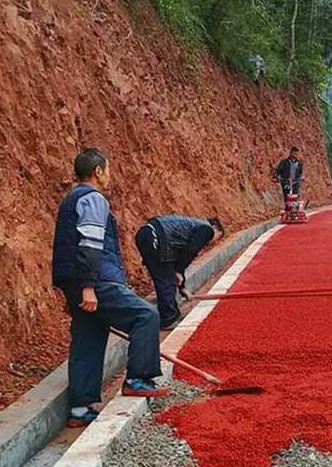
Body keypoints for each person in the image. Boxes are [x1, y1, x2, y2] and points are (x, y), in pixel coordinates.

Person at [50, 148, 169, 428]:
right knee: (146, 316)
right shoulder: (93, 199)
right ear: (98, 171)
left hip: (74, 281)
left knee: (88, 338)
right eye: (108, 169)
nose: (109, 176)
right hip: (95, 279)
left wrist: (76, 290)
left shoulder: (70, 200)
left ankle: (80, 410)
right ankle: (137, 378)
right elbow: (90, 246)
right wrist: (89, 286)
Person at [135, 214, 225, 329]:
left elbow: (178, 262)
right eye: (218, 237)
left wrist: (182, 288)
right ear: (215, 228)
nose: (212, 241)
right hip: (155, 237)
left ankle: (171, 315)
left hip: (147, 235)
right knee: (166, 280)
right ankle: (169, 319)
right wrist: (178, 271)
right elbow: (191, 250)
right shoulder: (207, 229)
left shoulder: (186, 230)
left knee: (165, 277)